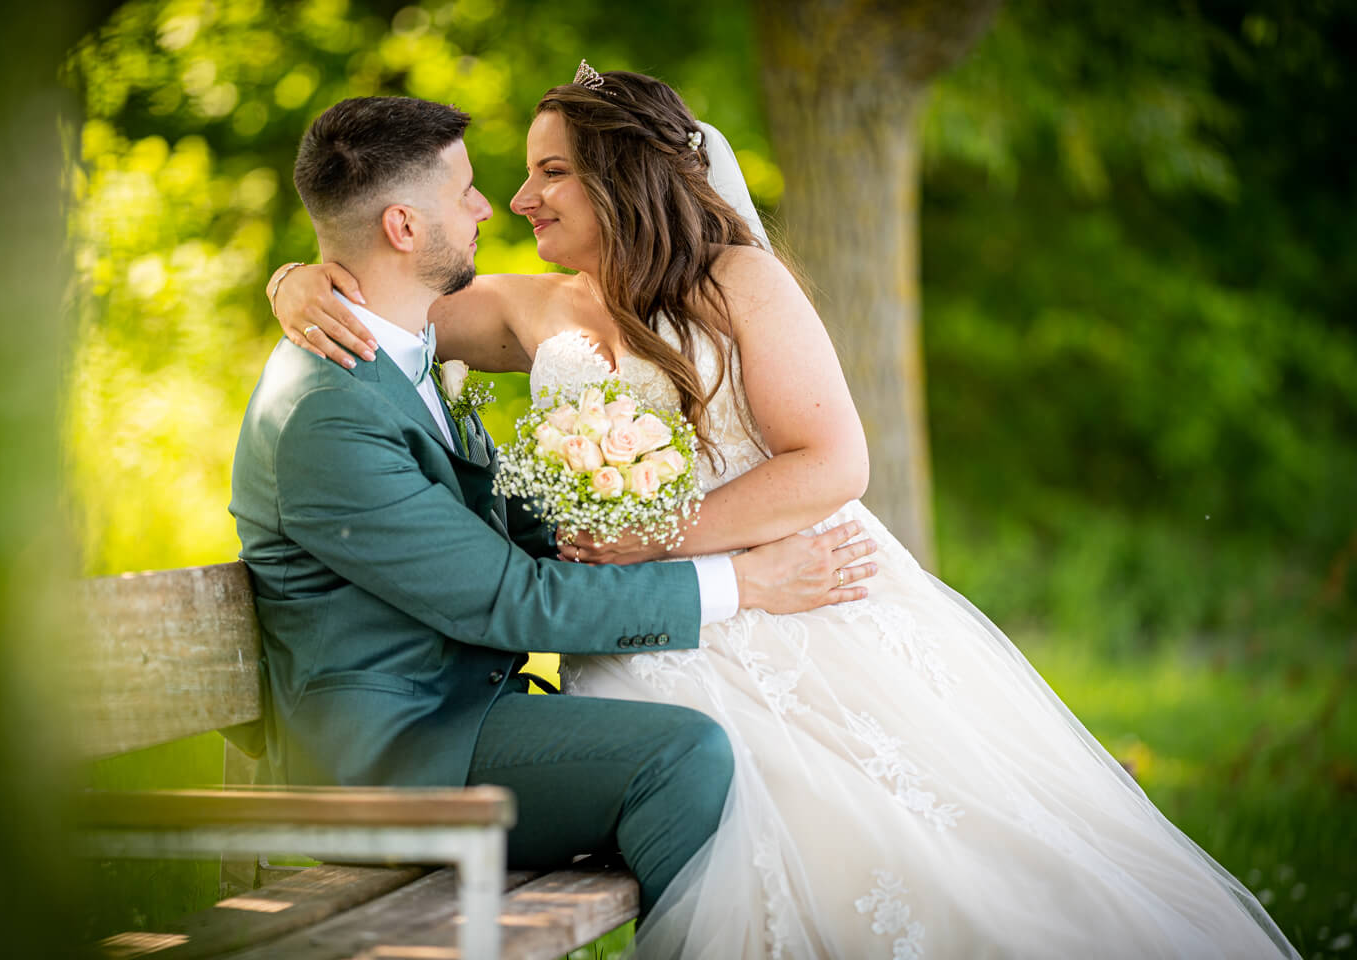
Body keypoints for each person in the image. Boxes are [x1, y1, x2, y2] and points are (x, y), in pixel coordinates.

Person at [270, 70, 1300, 959]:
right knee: (721, 799)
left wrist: (658, 541)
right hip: (637, 631)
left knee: (912, 842)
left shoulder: (737, 281)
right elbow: (381, 298)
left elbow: (834, 463)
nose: (518, 198)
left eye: (551, 172)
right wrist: (292, 281)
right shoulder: (526, 306)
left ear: (621, 179)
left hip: (790, 598)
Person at [229, 94, 880, 922]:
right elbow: (509, 598)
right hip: (395, 754)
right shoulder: (328, 409)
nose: (491, 205)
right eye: (465, 191)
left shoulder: (401, 351)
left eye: (547, 172)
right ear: (403, 226)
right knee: (682, 751)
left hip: (460, 709)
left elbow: (511, 531)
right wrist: (743, 583)